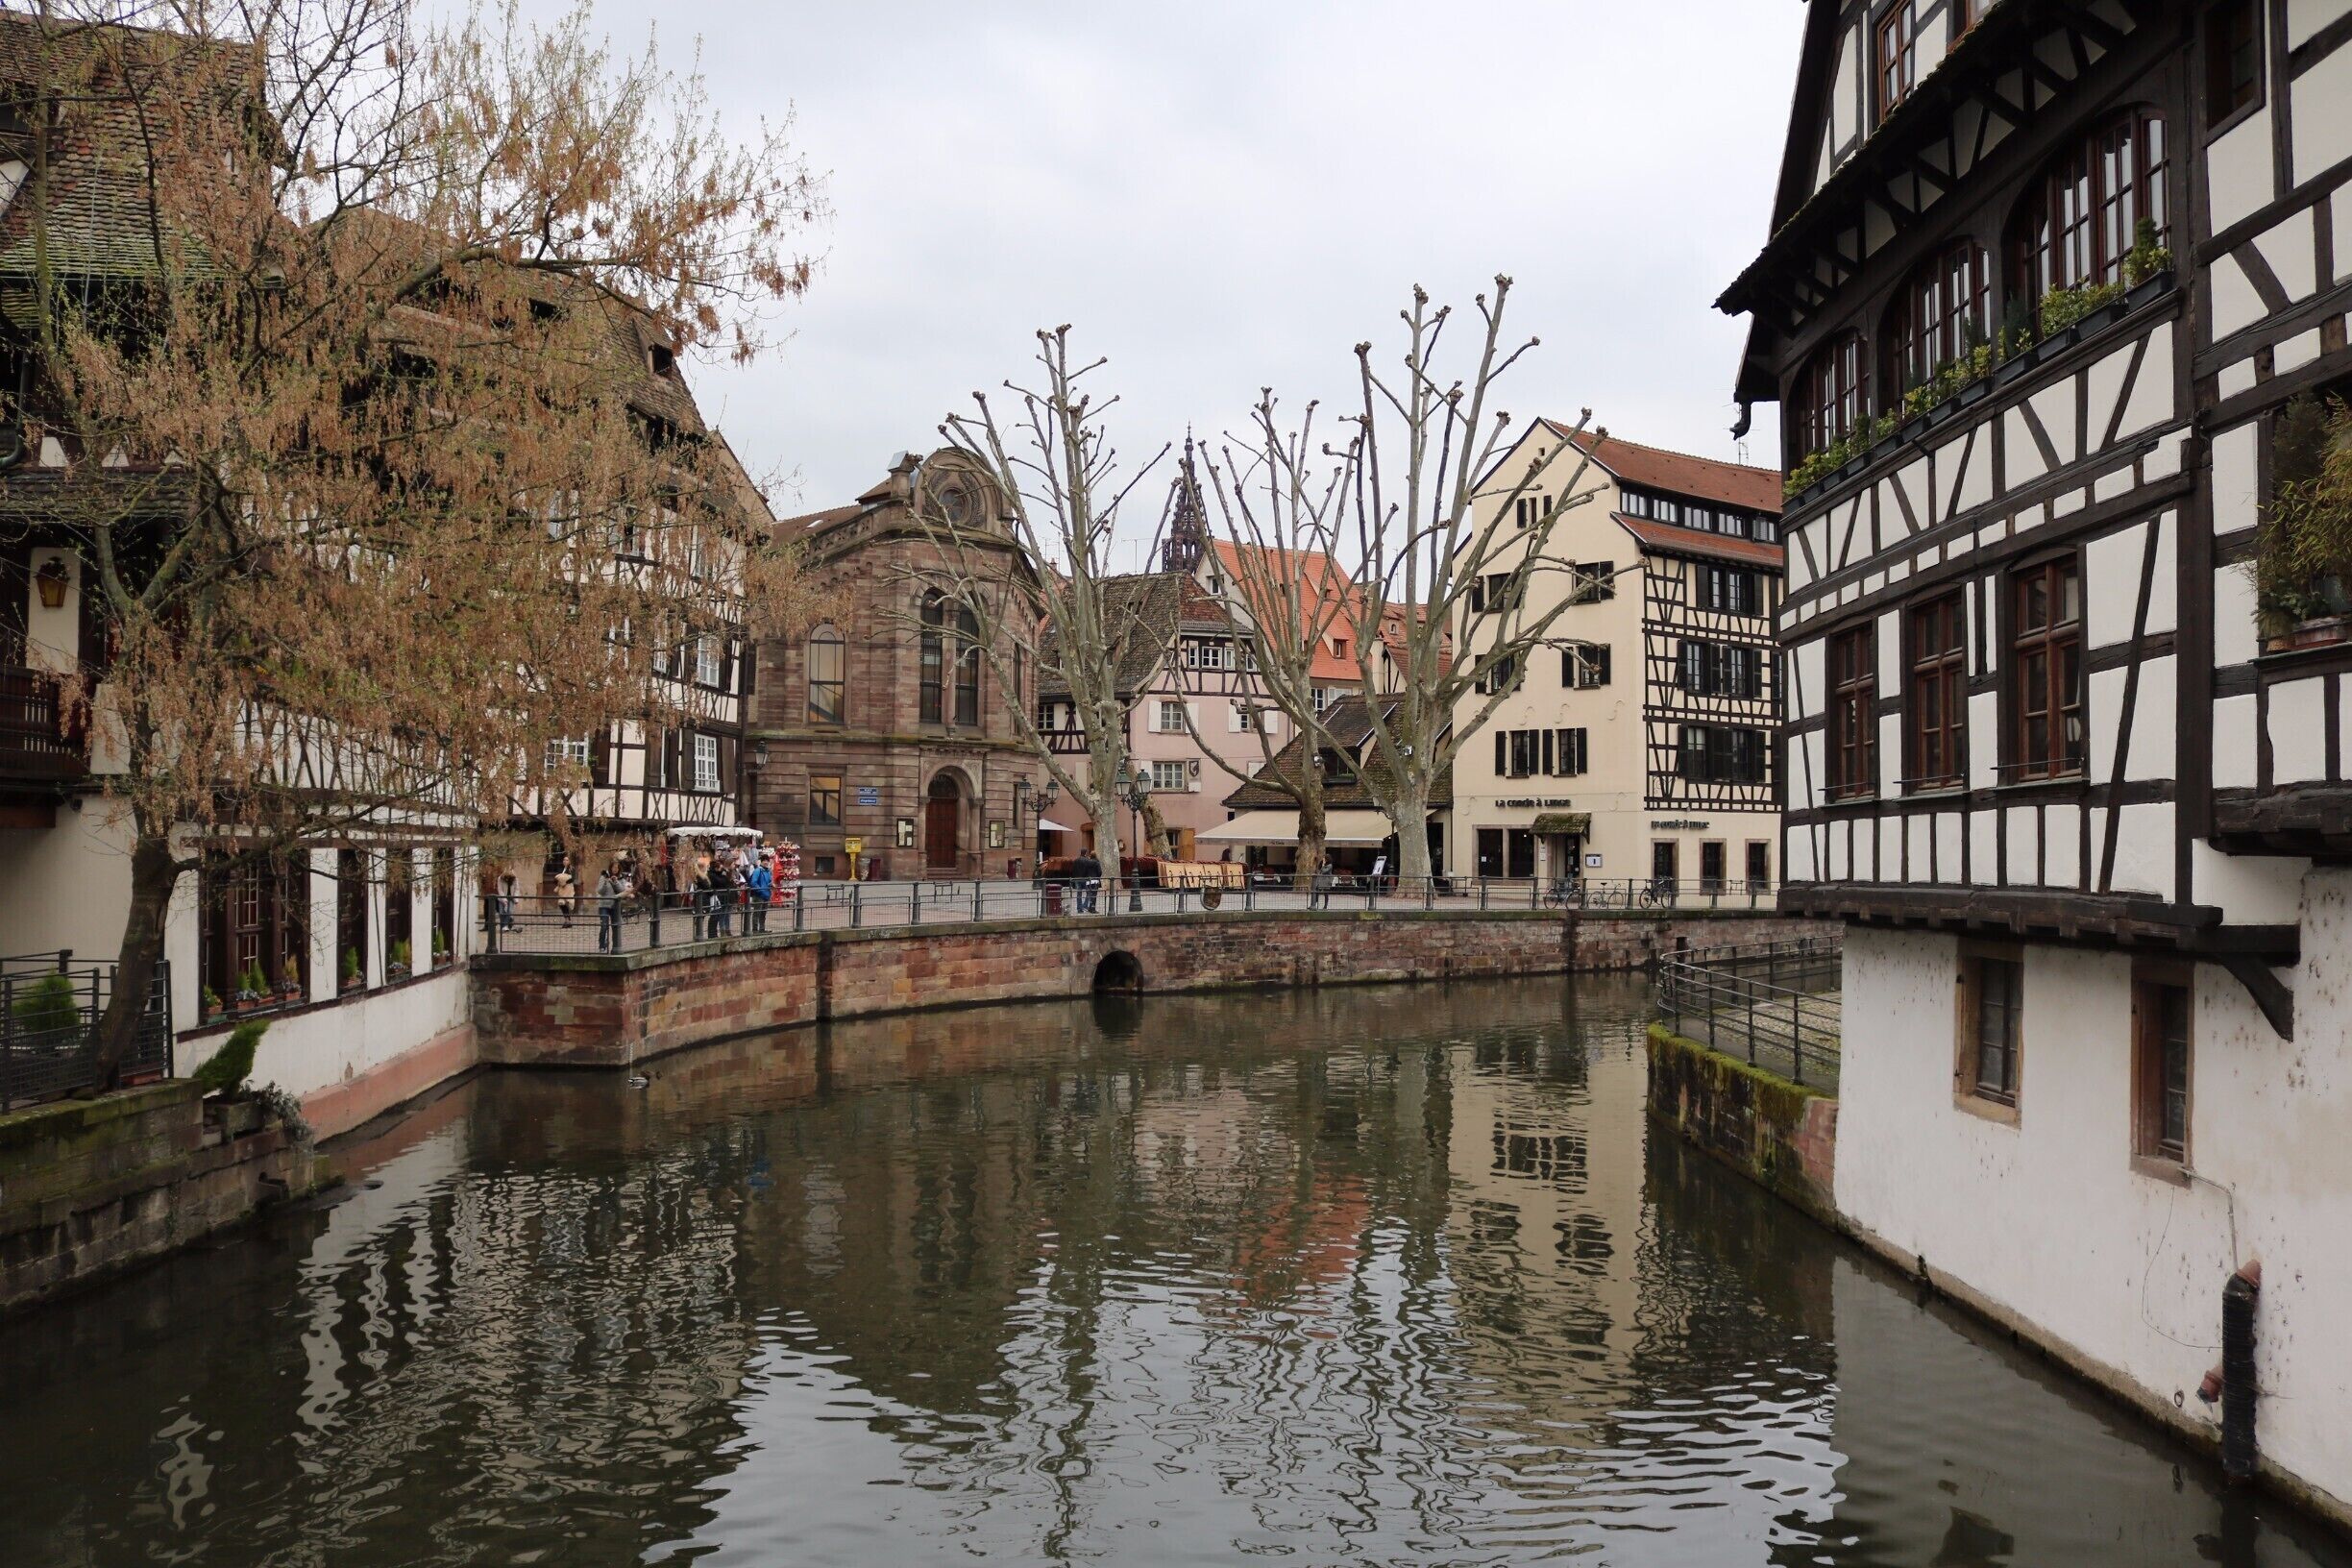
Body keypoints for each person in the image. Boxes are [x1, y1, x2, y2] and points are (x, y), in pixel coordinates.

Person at [596, 865, 625, 953]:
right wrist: (605, 882)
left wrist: (615, 881)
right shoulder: (603, 877)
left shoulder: (621, 878)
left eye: (617, 868)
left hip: (615, 905)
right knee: (604, 926)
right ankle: (602, 945)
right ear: (610, 868)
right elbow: (600, 891)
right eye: (613, 868)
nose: (615, 870)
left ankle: (615, 947)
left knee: (615, 926)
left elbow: (622, 890)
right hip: (604, 905)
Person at [747, 852, 772, 933]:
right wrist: (761, 890)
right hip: (759, 895)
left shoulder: (768, 871)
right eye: (764, 860)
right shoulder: (758, 871)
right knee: (757, 913)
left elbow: (768, 881)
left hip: (766, 895)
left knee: (763, 914)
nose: (766, 862)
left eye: (767, 860)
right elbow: (753, 883)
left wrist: (770, 885)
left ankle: (762, 929)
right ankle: (755, 929)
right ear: (761, 861)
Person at [552, 862, 576, 928]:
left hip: (568, 889)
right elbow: (556, 877)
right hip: (561, 889)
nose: (565, 861)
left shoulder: (571, 869)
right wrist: (558, 882)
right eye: (564, 860)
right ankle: (567, 920)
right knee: (561, 904)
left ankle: (568, 921)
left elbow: (573, 878)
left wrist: (564, 882)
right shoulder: (561, 869)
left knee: (567, 904)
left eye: (567, 860)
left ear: (569, 861)